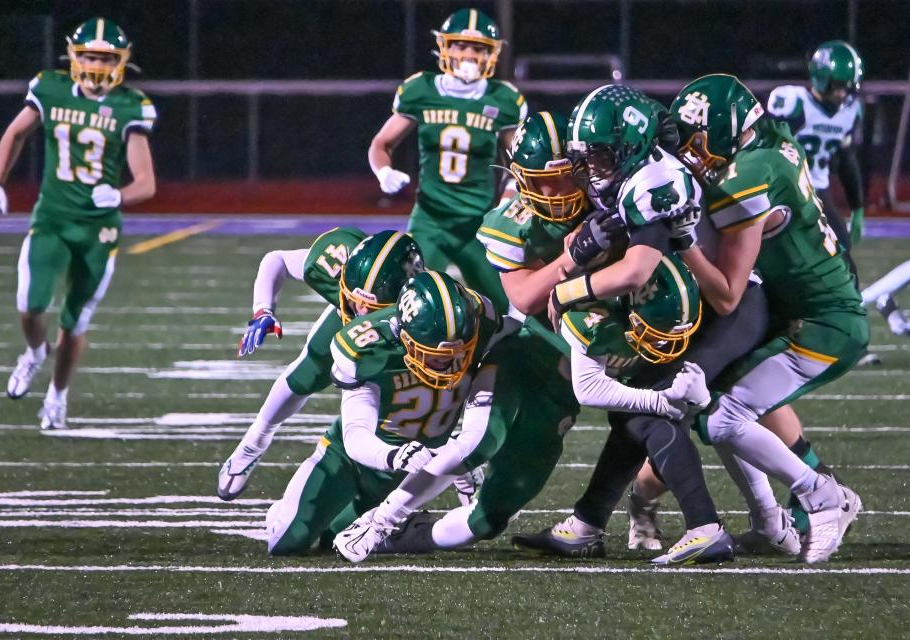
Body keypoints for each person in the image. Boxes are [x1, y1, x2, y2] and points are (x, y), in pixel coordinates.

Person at [331, 257, 713, 564]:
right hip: (521, 365)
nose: (665, 343)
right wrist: (665, 400)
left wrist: (697, 397)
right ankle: (381, 520)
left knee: (488, 520)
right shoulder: (594, 314)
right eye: (656, 332)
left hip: (556, 406)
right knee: (476, 444)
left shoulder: (662, 323)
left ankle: (402, 539)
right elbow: (591, 387)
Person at [513, 86, 754, 564]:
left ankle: (707, 525)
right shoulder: (635, 174)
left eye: (601, 156)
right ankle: (588, 523)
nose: (591, 168)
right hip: (675, 298)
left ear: (631, 147)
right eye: (587, 156)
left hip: (704, 305)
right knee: (635, 415)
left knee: (648, 412)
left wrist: (569, 288)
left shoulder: (653, 181)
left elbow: (636, 271)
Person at [668, 73, 867, 562]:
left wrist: (684, 239)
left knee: (721, 417)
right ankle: (769, 520)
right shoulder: (774, 142)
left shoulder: (749, 174)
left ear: (726, 128)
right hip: (809, 307)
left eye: (698, 138)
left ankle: (821, 495)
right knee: (716, 405)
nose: (694, 151)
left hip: (824, 324)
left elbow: (728, 295)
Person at [0, 18, 157, 429]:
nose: (97, 64)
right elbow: (16, 134)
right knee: (30, 305)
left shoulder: (130, 105)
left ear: (121, 61)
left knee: (73, 321)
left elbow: (146, 183)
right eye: (89, 55)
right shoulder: (50, 86)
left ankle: (57, 396)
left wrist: (118, 196)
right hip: (52, 218)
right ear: (73, 57)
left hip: (97, 231)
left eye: (105, 57)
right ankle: (33, 353)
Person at [266, 271, 502, 555]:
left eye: (460, 353)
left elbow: (512, 341)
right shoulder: (366, 349)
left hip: (410, 470)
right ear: (406, 339)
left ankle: (399, 532)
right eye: (437, 357)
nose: (451, 365)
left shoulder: (484, 323)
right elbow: (355, 435)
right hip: (350, 461)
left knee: (335, 540)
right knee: (284, 544)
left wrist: (461, 455)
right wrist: (393, 456)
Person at [217, 229, 424, 500]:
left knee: (408, 403)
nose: (360, 312)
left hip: (398, 339)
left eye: (371, 308)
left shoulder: (422, 310)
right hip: (346, 327)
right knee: (310, 370)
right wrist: (263, 310)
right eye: (355, 301)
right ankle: (253, 444)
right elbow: (276, 260)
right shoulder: (340, 263)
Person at [368, 7, 527, 314]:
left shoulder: (503, 99)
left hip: (479, 225)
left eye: (478, 47)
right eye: (461, 45)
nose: (469, 54)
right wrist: (383, 171)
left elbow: (520, 163)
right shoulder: (421, 90)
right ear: (445, 46)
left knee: (513, 308)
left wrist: (508, 198)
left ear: (491, 53)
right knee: (402, 303)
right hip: (430, 220)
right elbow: (382, 143)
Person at [767, 40, 865, 249]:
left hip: (817, 191)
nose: (842, 94)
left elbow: (847, 159)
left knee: (843, 256)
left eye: (847, 88)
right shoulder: (793, 102)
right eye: (838, 86)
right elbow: (764, 148)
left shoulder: (850, 112)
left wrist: (857, 206)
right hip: (780, 189)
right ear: (821, 78)